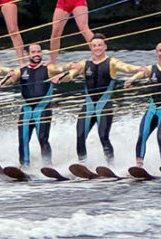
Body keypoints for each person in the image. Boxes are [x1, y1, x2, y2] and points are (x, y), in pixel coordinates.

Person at [51, 33, 146, 165]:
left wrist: (139, 69)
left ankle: (111, 165)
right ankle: (82, 165)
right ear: (91, 48)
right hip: (88, 106)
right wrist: (60, 78)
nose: (97, 48)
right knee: (79, 137)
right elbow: (71, 74)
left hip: (104, 107)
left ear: (105, 46)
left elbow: (126, 67)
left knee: (103, 137)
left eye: (100, 45)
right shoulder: (84, 64)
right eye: (94, 46)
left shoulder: (112, 63)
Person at [0, 44, 72, 168]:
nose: (36, 54)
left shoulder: (49, 68)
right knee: (23, 139)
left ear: (42, 53)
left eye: (39, 51)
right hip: (26, 110)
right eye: (33, 51)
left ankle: (48, 166)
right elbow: (9, 79)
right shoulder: (21, 70)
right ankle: (25, 166)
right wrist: (0, 84)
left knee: (42, 138)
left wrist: (69, 69)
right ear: (28, 54)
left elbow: (65, 70)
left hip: (42, 110)